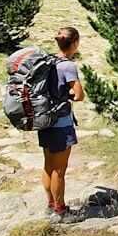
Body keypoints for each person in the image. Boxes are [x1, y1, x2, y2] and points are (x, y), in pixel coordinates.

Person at [39, 26, 85, 223]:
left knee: (48, 165)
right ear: (74, 43)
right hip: (60, 122)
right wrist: (67, 97)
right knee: (60, 169)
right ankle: (60, 211)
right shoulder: (68, 66)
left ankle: (50, 205)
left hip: (44, 119)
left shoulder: (48, 61)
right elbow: (79, 94)